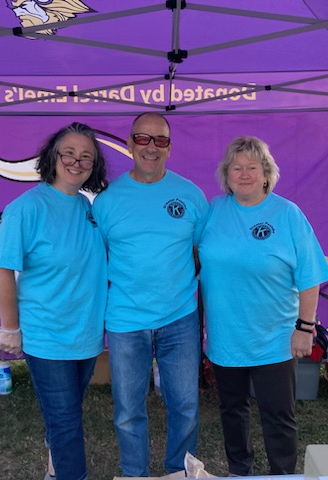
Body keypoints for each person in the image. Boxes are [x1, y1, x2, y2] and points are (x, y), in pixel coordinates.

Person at [197, 135, 328, 475]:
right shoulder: (212, 211)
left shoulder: (287, 214)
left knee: (278, 415)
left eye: (252, 168)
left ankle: (282, 474)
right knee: (232, 410)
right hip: (226, 336)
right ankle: (240, 471)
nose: (244, 174)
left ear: (266, 173)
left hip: (275, 336)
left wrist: (305, 328)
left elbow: (310, 275)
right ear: (226, 175)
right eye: (236, 168)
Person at [92, 112, 209, 477]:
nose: (151, 147)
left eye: (160, 140)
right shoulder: (107, 201)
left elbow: (203, 253)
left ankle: (181, 471)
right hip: (126, 320)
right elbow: (97, 259)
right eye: (142, 139)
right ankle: (134, 474)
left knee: (186, 405)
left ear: (170, 147)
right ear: (129, 144)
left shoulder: (191, 195)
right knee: (128, 409)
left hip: (179, 318)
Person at [0, 122, 108, 480]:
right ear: (52, 158)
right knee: (66, 421)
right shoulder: (26, 208)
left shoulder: (91, 208)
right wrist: (10, 327)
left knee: (66, 413)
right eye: (69, 153)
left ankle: (55, 466)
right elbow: (3, 269)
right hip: (47, 336)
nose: (77, 161)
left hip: (87, 336)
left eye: (86, 156)